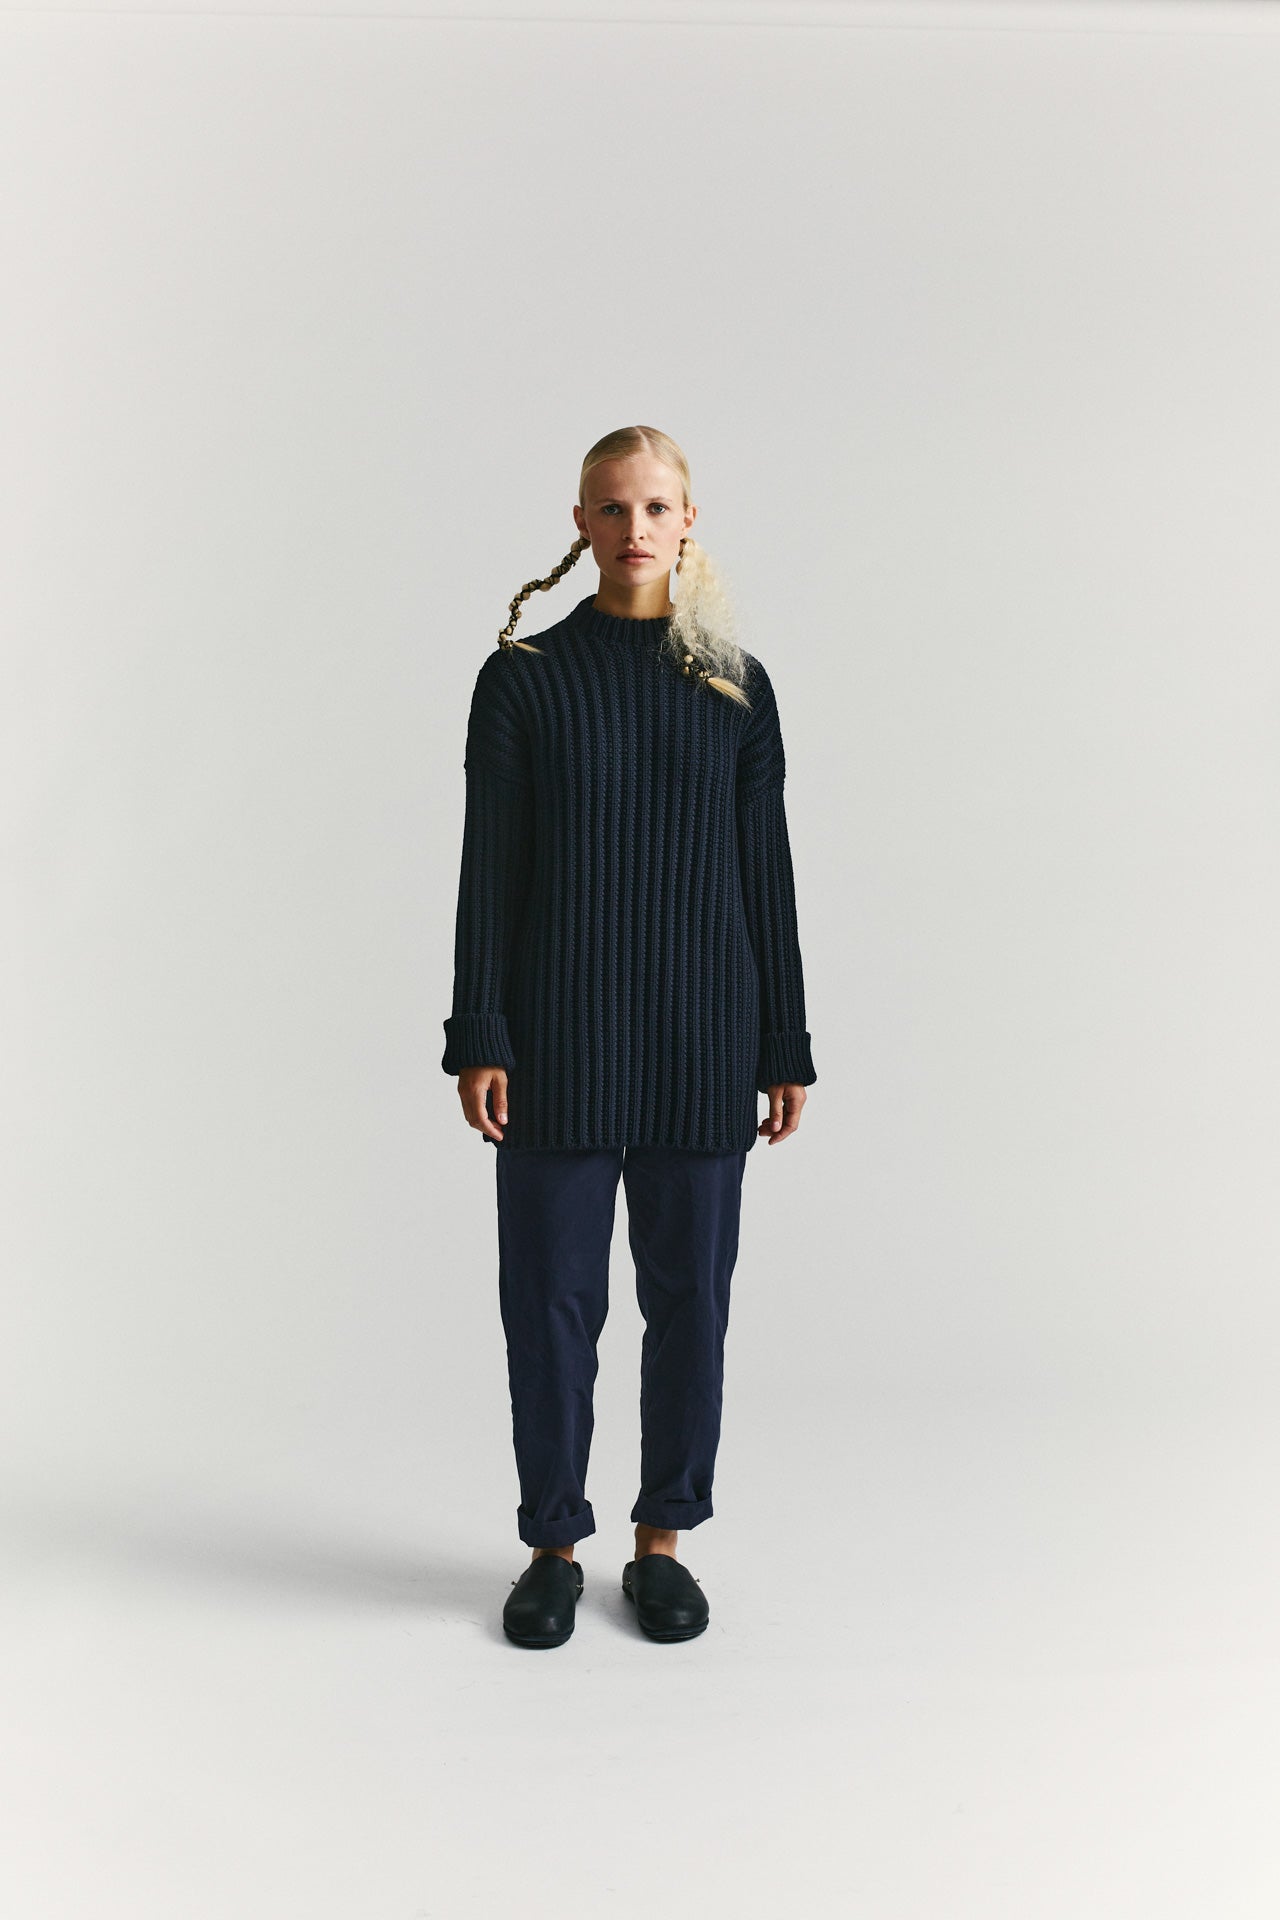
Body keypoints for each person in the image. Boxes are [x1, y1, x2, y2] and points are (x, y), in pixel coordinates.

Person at [442, 424, 817, 1648]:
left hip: (703, 1040)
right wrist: (479, 1029)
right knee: (548, 1305)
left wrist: (783, 1041)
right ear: (580, 523)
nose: (634, 527)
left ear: (688, 520)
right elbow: (490, 869)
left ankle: (662, 1540)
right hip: (553, 1042)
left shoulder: (735, 687)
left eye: (656, 506)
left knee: (689, 1304)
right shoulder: (523, 681)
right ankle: (551, 1542)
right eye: (612, 507)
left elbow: (764, 876)